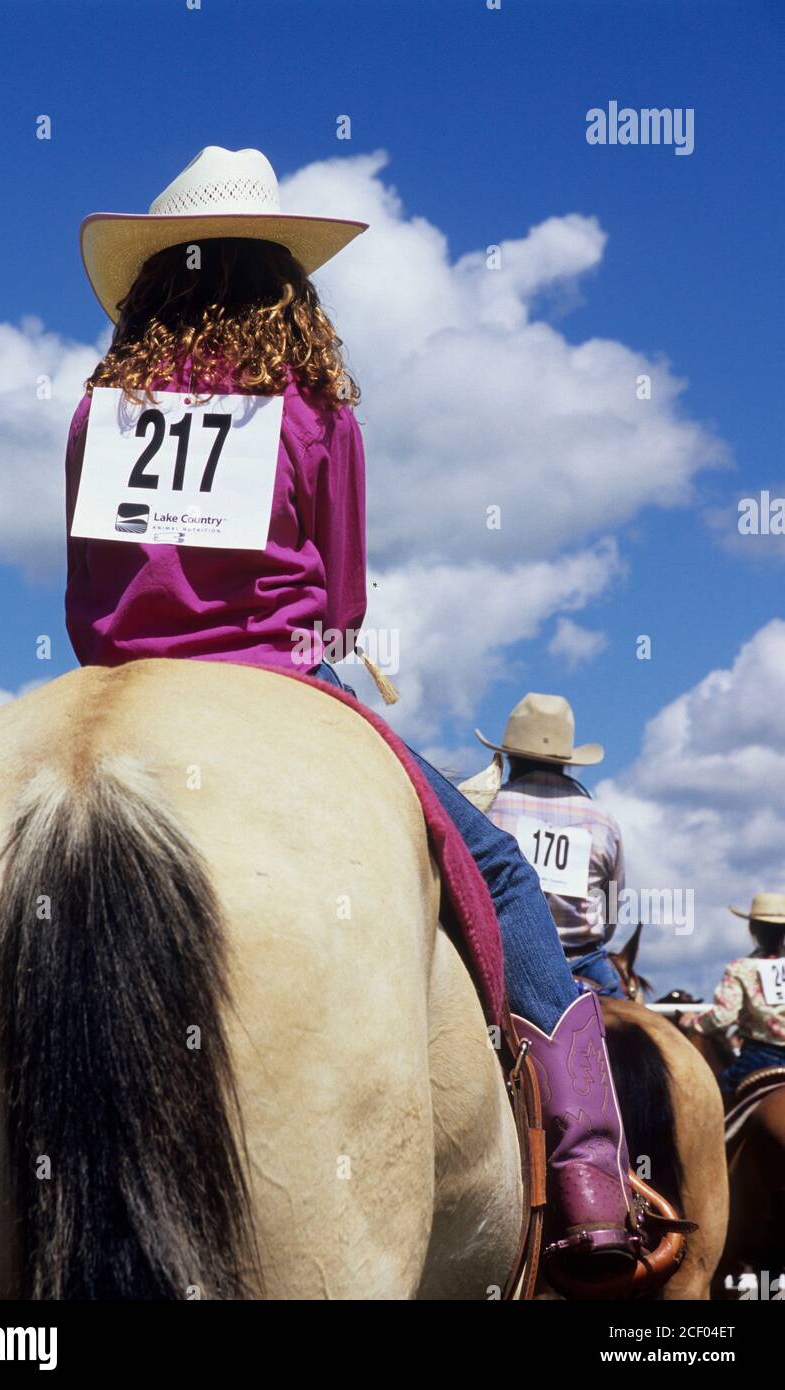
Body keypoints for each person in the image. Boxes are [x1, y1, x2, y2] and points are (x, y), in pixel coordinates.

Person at [65, 145, 639, 1275]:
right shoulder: (314, 405)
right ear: (283, 275)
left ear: (154, 280)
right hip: (281, 677)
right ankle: (590, 1183)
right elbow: (343, 597)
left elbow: (88, 600)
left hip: (110, 681)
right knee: (506, 878)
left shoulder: (97, 411)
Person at [479, 693, 628, 998]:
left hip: (506, 962)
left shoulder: (487, 808)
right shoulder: (602, 820)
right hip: (585, 964)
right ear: (567, 762)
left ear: (509, 757)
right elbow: (612, 910)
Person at [680, 893, 785, 1099]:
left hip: (759, 1058)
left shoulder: (741, 968)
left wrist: (692, 1023)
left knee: (712, 1104)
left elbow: (723, 1017)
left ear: (752, 928)